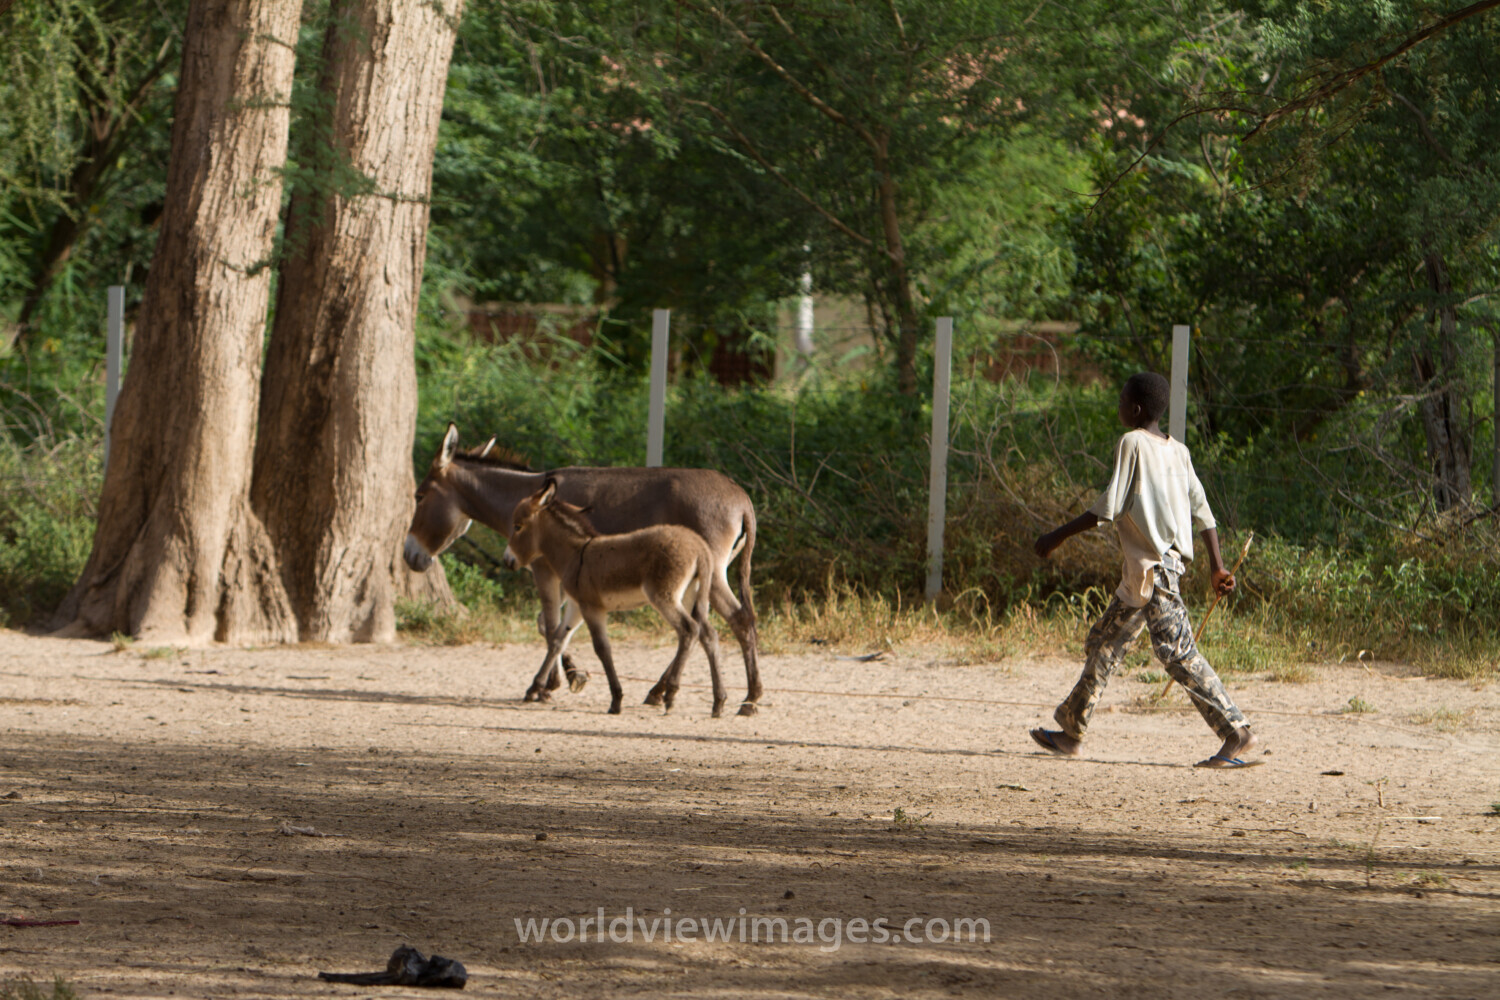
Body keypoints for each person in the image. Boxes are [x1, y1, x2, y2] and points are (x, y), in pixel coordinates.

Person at [1030, 372, 1259, 768]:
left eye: (1121, 400)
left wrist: (1056, 536)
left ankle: (1235, 731)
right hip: (1146, 575)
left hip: (1157, 573)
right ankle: (1071, 731)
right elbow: (1204, 513)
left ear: (1134, 409)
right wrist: (1216, 568)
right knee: (1104, 641)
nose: (1118, 405)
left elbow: (1108, 507)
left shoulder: (1132, 442)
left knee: (1178, 652)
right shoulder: (1179, 452)